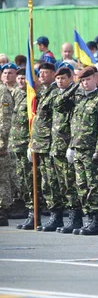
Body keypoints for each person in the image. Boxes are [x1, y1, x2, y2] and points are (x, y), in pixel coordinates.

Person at [68, 66, 98, 236]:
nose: (85, 83)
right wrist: (71, 147)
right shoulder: (80, 101)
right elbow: (75, 127)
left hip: (92, 151)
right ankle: (89, 218)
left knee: (95, 186)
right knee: (82, 186)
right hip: (79, 149)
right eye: (82, 80)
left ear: (96, 79)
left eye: (88, 79)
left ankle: (96, 220)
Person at [51, 66, 82, 234]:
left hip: (68, 145)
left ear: (71, 78)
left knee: (71, 184)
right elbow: (58, 105)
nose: (59, 81)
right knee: (62, 184)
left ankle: (75, 218)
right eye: (57, 78)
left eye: (63, 78)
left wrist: (76, 86)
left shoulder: (75, 94)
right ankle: (66, 217)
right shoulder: (58, 94)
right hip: (57, 146)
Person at [30, 63, 61, 231]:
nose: (41, 75)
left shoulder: (56, 93)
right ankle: (49, 213)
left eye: (45, 72)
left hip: (51, 143)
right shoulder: (41, 93)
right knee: (45, 183)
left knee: (52, 181)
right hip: (40, 143)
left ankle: (57, 215)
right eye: (40, 72)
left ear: (53, 74)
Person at [10, 69, 38, 229]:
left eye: (24, 78)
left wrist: (31, 143)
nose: (22, 81)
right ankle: (30, 212)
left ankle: (34, 214)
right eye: (20, 78)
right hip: (18, 146)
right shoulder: (19, 96)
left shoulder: (32, 97)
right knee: (23, 181)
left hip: (28, 145)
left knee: (30, 179)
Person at [0, 81, 14, 226]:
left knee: (2, 178)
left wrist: (2, 142)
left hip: (0, 141)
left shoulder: (2, 91)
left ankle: (2, 211)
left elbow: (5, 119)